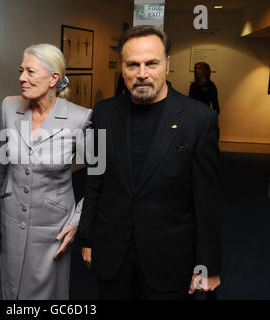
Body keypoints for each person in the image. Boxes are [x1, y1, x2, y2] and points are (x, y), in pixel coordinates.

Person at [78, 25, 222, 300]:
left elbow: (208, 201)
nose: (142, 73)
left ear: (167, 64)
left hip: (170, 258)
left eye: (151, 63)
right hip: (113, 254)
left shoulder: (199, 120)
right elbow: (95, 181)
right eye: (133, 64)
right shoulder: (105, 113)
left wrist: (209, 265)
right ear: (122, 67)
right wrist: (88, 239)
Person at [0, 44, 92, 300]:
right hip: (10, 217)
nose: (21, 78)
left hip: (53, 226)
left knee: (44, 293)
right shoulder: (8, 107)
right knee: (9, 288)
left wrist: (77, 221)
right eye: (21, 70)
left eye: (30, 71)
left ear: (54, 79)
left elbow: (103, 176)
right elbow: (0, 165)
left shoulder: (82, 118)